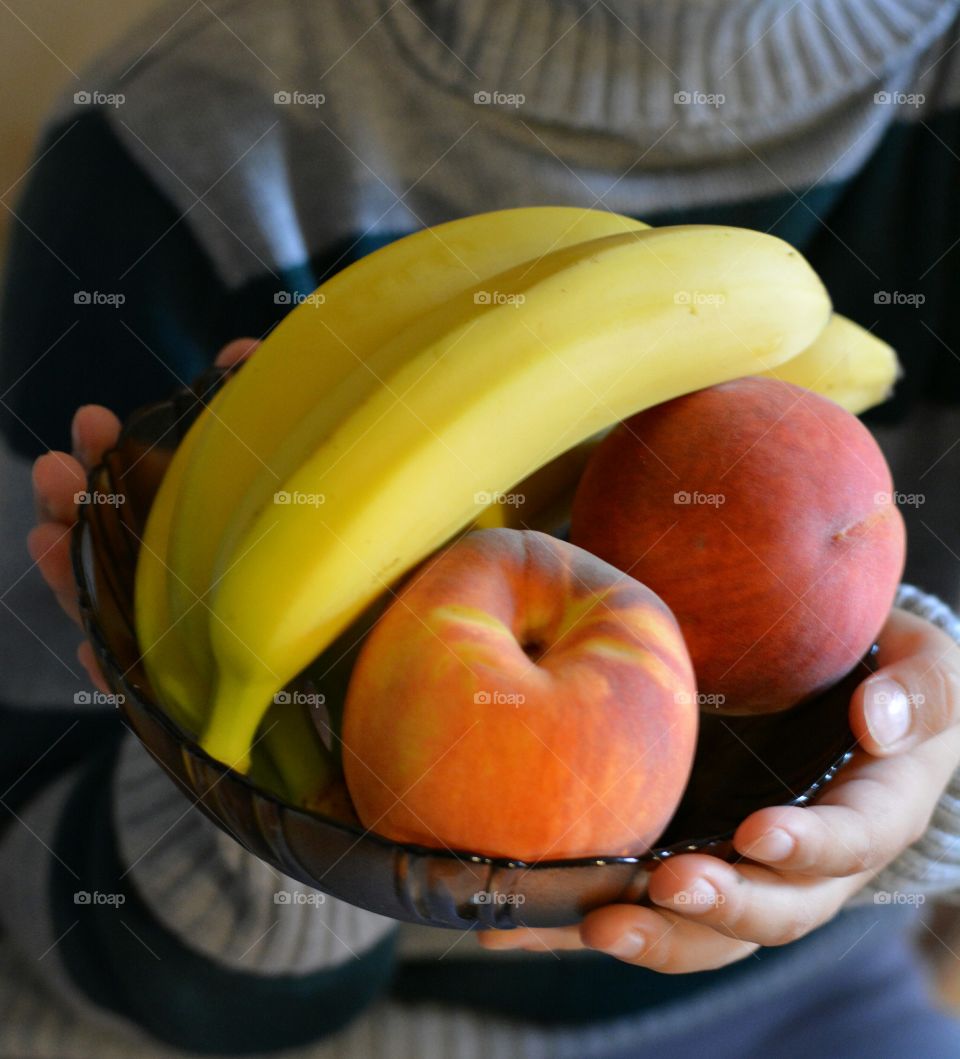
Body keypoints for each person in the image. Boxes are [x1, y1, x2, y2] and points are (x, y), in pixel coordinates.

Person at [4, 2, 960, 1056]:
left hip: (811, 1008)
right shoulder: (182, 131)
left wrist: (916, 779)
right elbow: (47, 907)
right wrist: (271, 801)